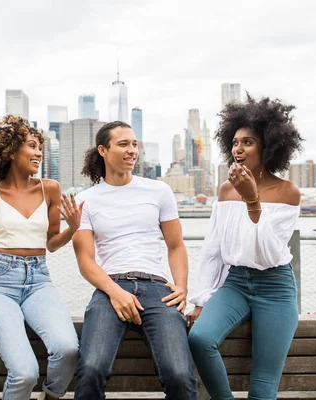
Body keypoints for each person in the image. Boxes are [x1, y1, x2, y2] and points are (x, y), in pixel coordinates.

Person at [186, 94, 304, 399]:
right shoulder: (226, 190)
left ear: (269, 146)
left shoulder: (287, 192)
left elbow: (268, 252)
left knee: (263, 384)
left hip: (275, 287)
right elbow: (213, 249)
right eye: (236, 142)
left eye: (248, 142)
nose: (239, 148)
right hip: (235, 282)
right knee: (199, 338)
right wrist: (200, 299)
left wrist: (253, 200)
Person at [71, 121, 198, 399]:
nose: (132, 150)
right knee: (91, 369)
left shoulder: (159, 191)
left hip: (157, 289)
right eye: (123, 144)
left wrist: (182, 287)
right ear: (103, 150)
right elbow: (86, 261)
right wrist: (115, 292)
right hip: (109, 288)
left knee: (179, 374)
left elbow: (176, 246)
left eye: (135, 144)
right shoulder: (85, 200)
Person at [0, 115, 80, 400]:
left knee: (67, 348)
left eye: (40, 147)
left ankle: (52, 396)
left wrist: (73, 228)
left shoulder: (50, 188)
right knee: (24, 372)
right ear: (10, 152)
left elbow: (52, 244)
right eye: (31, 146)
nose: (38, 152)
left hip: (39, 280)